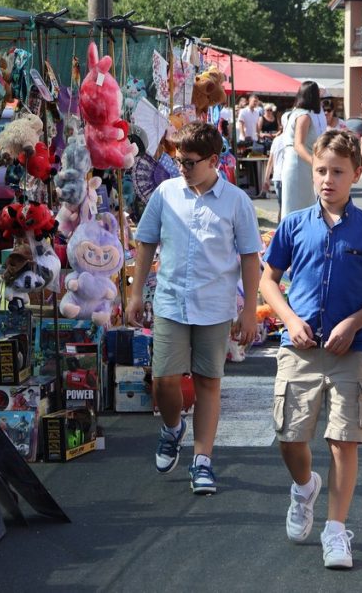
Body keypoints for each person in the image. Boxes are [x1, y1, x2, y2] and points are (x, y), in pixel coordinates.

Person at [260, 129, 362, 570]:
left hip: (350, 350)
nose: (328, 180)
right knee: (290, 436)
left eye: (338, 171)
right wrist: (290, 321)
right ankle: (303, 487)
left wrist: (355, 323)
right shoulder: (294, 224)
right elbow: (268, 281)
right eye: (320, 171)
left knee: (343, 439)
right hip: (298, 348)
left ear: (356, 173)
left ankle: (335, 530)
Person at [126, 122, 263, 496]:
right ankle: (172, 429)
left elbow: (251, 258)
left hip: (215, 306)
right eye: (178, 160)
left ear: (213, 161)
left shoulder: (236, 201)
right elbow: (146, 242)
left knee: (208, 384)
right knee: (164, 380)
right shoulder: (166, 193)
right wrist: (136, 293)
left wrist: (249, 309)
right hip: (170, 302)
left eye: (189, 162)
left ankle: (202, 460)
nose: (182, 168)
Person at [280, 81, 325, 218]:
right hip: (299, 164)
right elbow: (298, 145)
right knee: (301, 207)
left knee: (293, 205)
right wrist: (315, 163)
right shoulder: (304, 116)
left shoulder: (292, 114)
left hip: (292, 162)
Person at [262, 127, 289, 222]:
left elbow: (270, 161)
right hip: (287, 176)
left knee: (282, 206)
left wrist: (266, 178)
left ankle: (280, 229)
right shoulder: (292, 138)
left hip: (278, 177)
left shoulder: (276, 140)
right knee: (287, 207)